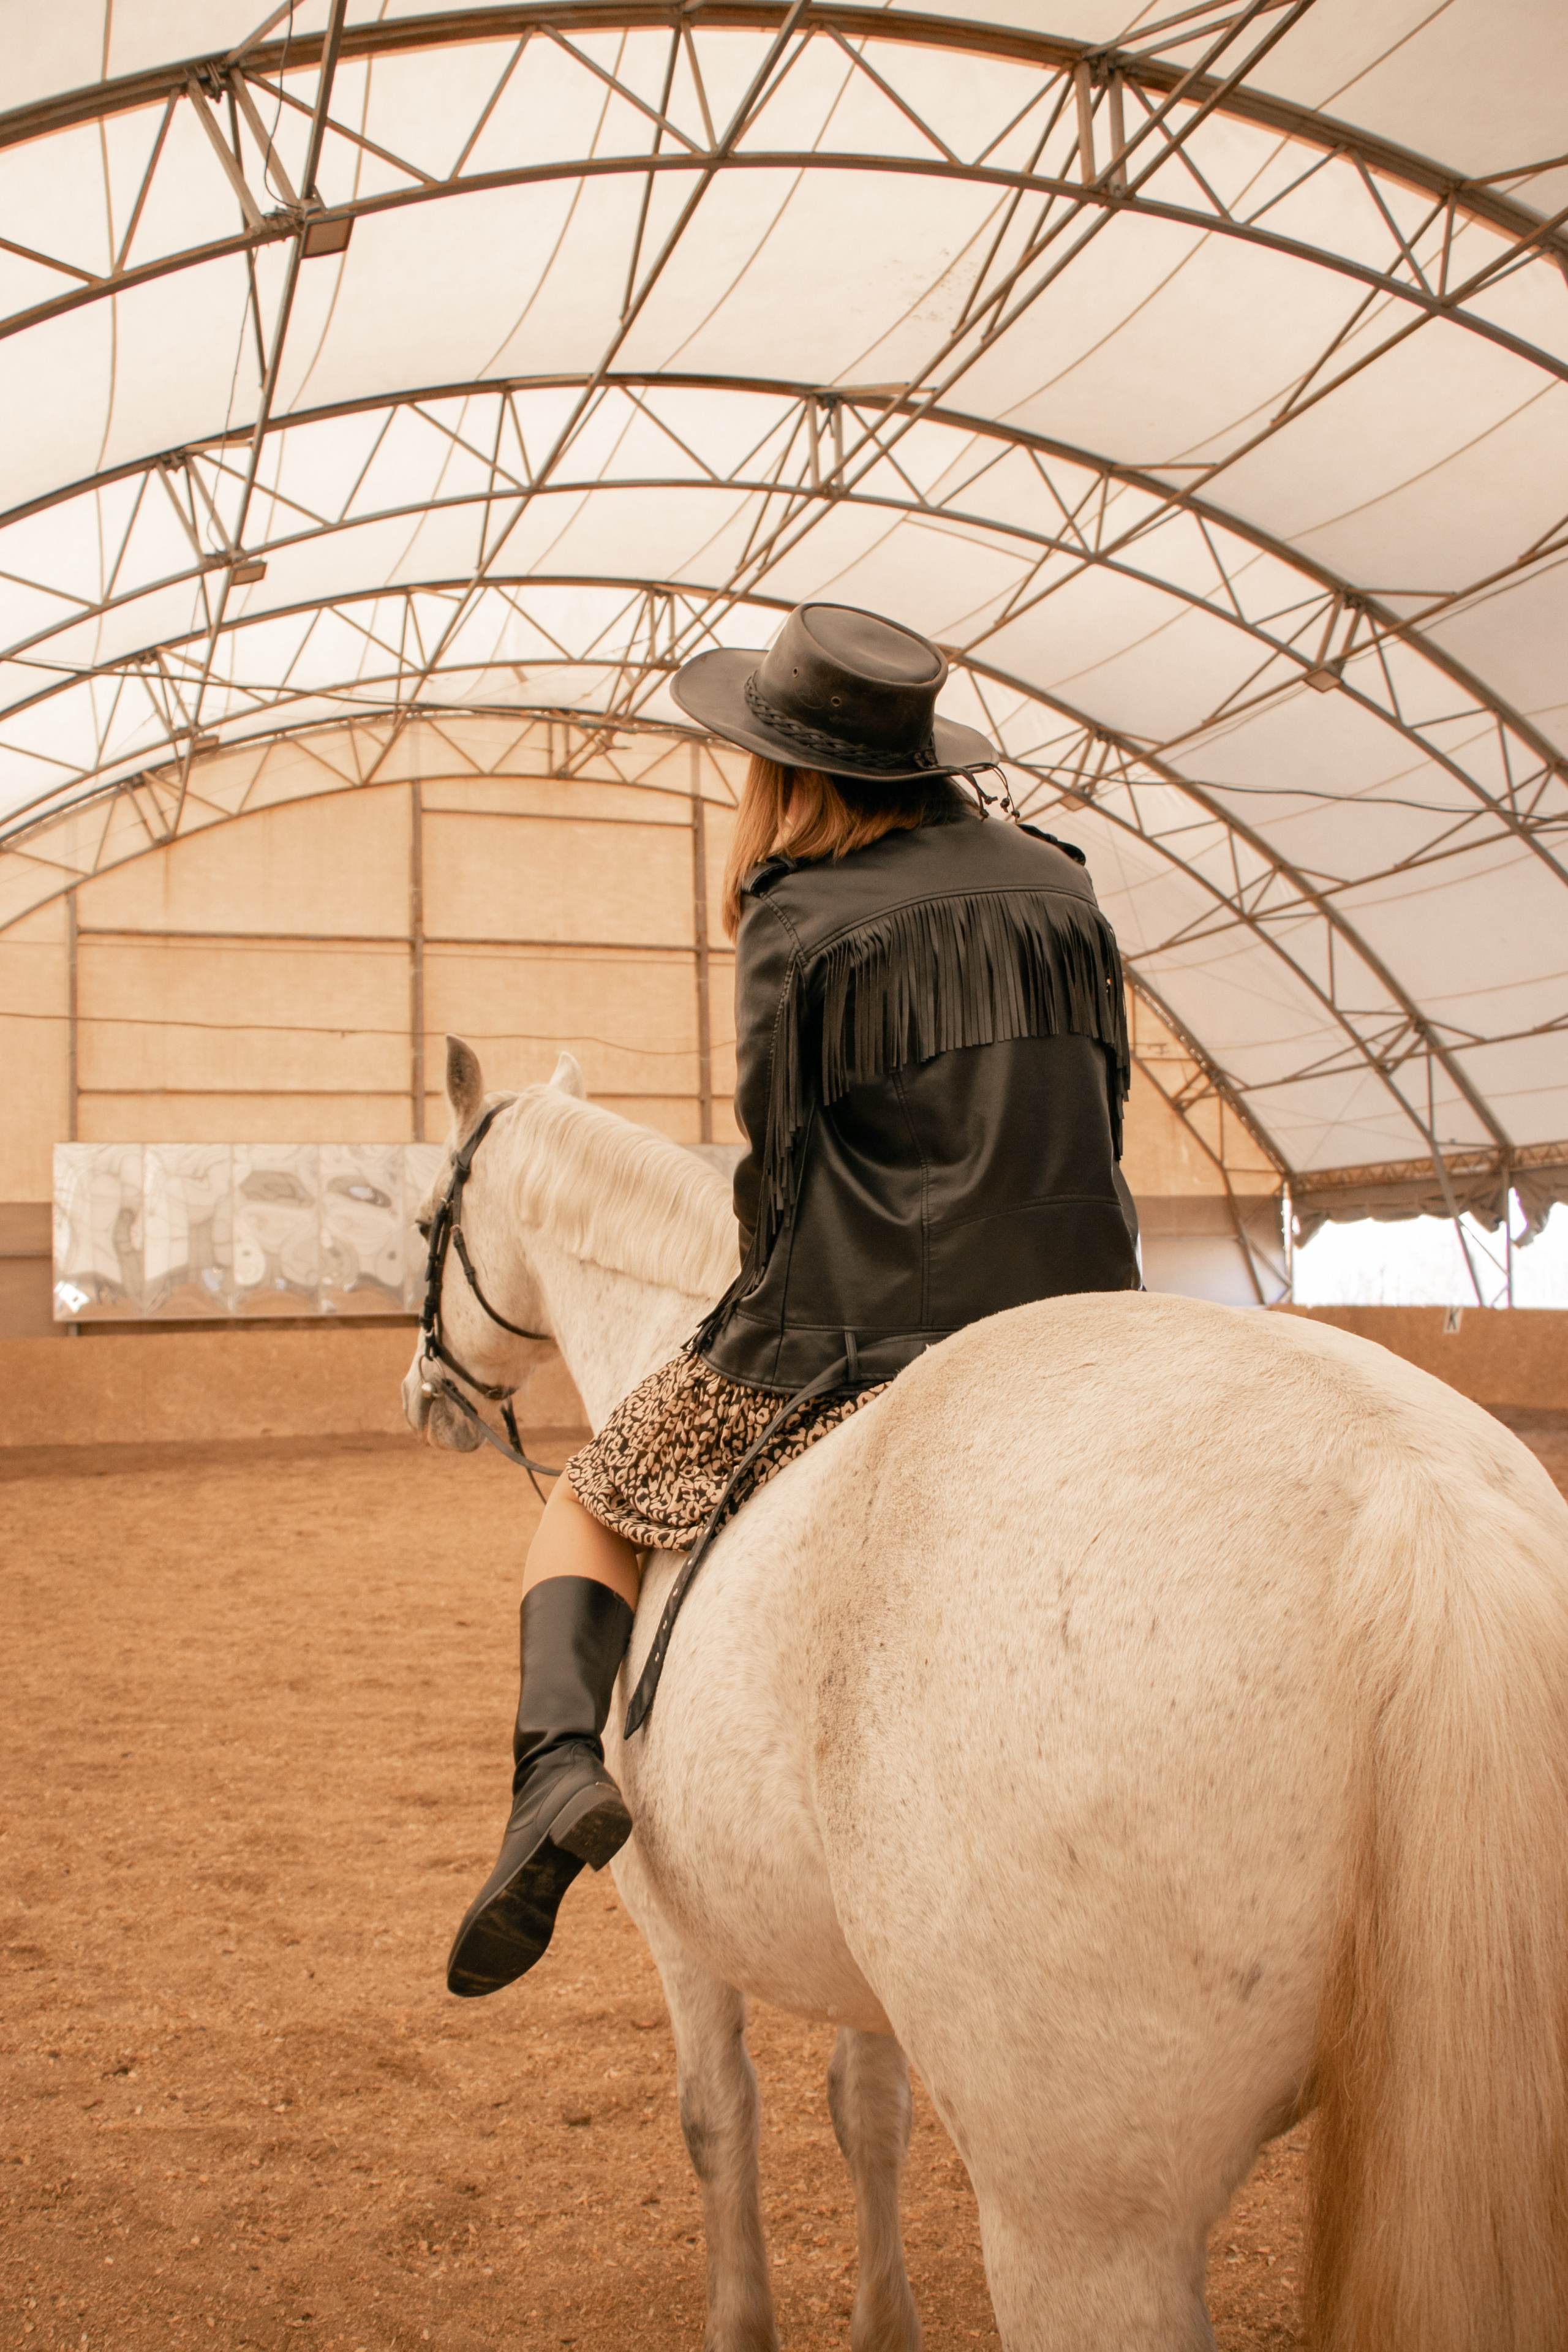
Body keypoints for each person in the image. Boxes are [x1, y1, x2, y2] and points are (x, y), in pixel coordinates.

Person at [446, 601, 1140, 1999]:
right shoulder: (1062, 882)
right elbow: (1101, 1117)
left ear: (786, 767)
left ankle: (552, 1779)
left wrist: (753, 1309)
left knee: (591, 1496)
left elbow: (782, 1177)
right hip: (1089, 1313)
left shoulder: (798, 911)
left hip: (861, 1320)